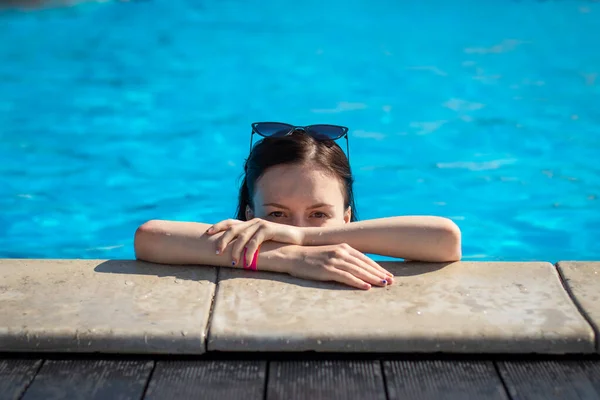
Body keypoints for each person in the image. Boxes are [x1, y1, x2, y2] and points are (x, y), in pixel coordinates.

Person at [134, 122, 461, 290]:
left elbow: (445, 238)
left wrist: (301, 239)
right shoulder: (243, 241)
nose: (295, 227)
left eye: (319, 214)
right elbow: (150, 237)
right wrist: (292, 257)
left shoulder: (329, 242)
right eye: (276, 214)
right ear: (250, 215)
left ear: (346, 217)